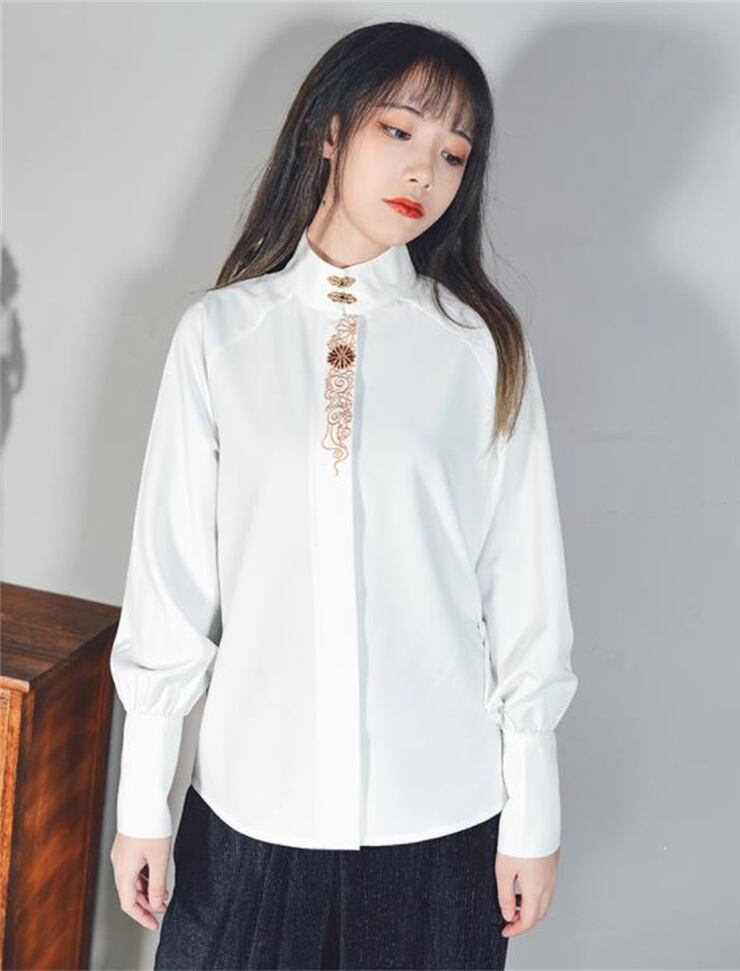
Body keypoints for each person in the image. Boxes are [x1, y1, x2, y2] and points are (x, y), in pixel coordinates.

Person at [108, 19, 578, 971]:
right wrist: (142, 803)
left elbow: (524, 592)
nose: (425, 171)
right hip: (251, 812)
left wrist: (534, 811)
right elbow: (171, 587)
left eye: (454, 153)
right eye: (398, 131)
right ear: (329, 130)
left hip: (439, 821)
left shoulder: (479, 348)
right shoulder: (220, 337)